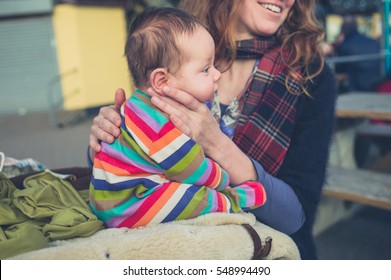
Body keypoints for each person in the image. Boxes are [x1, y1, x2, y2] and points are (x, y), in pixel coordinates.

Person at [88, 0, 337, 259]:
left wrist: (217, 144)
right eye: (208, 69)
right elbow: (142, 159)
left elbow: (297, 218)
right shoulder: (180, 45)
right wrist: (106, 137)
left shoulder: (311, 76)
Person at [89, 7, 267, 229]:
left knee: (180, 191)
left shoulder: (138, 106)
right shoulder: (158, 121)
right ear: (162, 81)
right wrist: (220, 179)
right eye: (205, 69)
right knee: (189, 197)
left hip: (120, 198)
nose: (217, 74)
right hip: (130, 204)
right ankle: (231, 201)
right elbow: (189, 165)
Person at [333, 15, 381, 92]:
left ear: (343, 29)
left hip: (356, 88)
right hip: (376, 85)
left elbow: (339, 71)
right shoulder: (373, 42)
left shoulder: (345, 45)